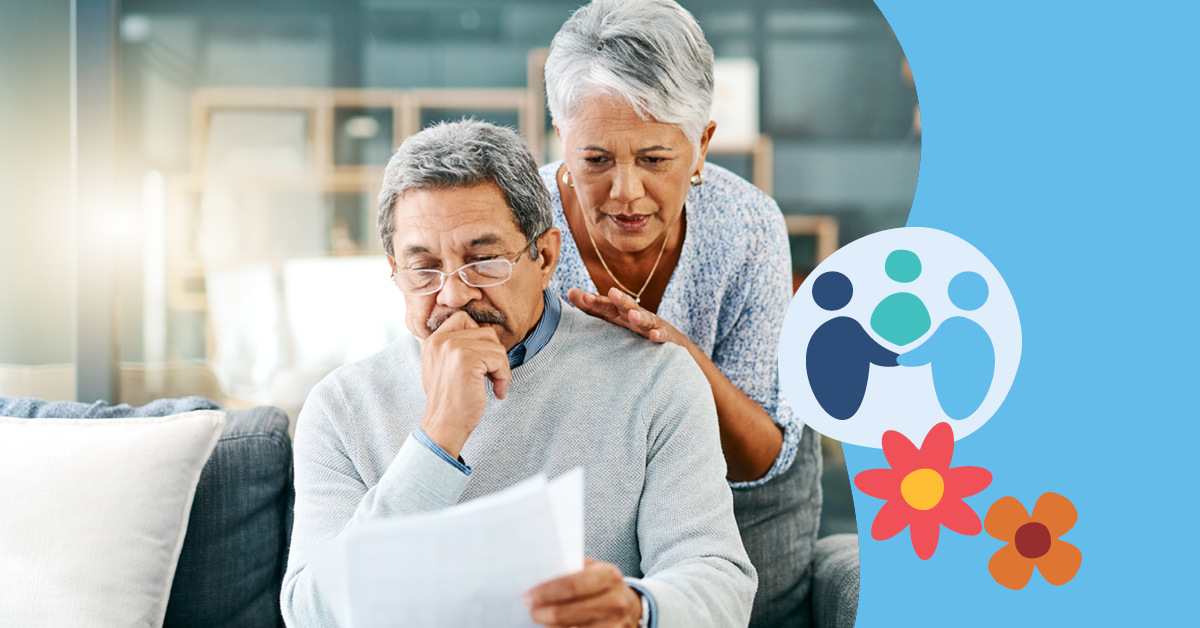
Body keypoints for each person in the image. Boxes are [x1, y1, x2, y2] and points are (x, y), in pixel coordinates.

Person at [280, 120, 756, 628]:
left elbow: (718, 582)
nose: (452, 295)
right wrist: (437, 438)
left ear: (545, 256)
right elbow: (312, 614)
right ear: (394, 268)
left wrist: (638, 609)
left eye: (482, 261)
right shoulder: (341, 406)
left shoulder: (656, 380)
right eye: (423, 268)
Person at [541, 1, 822, 625]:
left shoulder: (746, 227)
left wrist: (673, 351)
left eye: (654, 159)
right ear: (562, 138)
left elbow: (760, 460)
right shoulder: (520, 224)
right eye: (595, 160)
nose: (625, 192)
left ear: (701, 146)